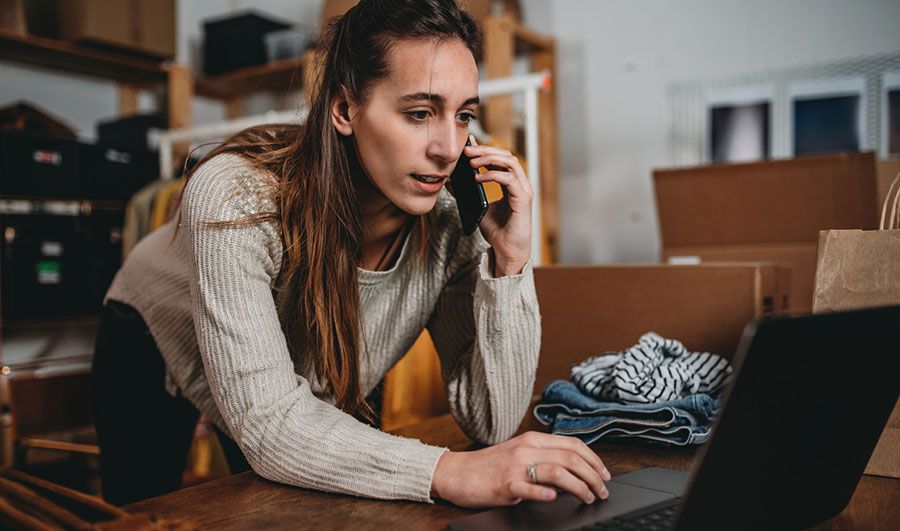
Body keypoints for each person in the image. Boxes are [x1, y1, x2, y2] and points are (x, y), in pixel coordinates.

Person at [91, 0, 610, 509]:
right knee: (142, 511)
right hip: (154, 325)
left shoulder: (453, 223)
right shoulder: (237, 197)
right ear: (344, 109)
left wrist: (510, 262)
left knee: (321, 504)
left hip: (303, 375)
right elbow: (269, 424)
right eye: (420, 113)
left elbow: (491, 421)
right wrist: (449, 469)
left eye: (463, 115)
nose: (449, 148)